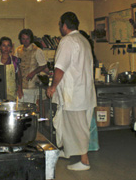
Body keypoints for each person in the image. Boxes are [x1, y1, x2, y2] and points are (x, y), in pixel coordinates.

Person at [46, 12, 97, 171]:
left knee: (78, 126)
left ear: (64, 25)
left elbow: (60, 67)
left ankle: (84, 161)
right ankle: (67, 151)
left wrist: (53, 86)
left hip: (74, 93)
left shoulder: (67, 41)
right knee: (69, 125)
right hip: (84, 91)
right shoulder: (83, 39)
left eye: (60, 24)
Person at [15, 29, 47, 103]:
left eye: (27, 39)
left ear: (31, 39)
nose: (25, 41)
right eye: (23, 39)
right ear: (20, 39)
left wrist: (33, 73)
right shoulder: (18, 50)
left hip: (32, 84)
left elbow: (43, 65)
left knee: (32, 105)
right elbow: (16, 66)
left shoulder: (37, 50)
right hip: (21, 84)